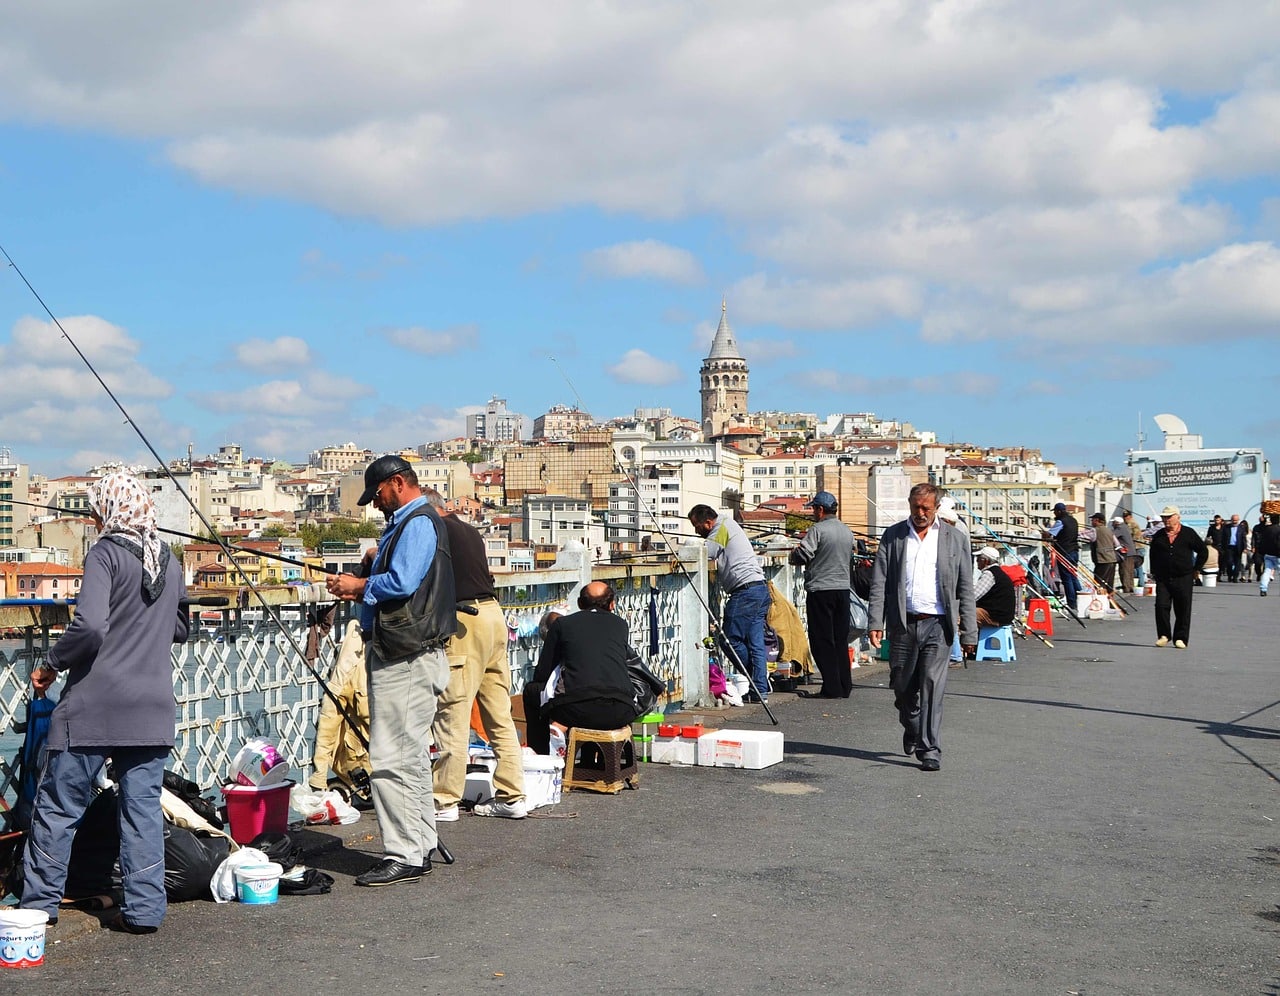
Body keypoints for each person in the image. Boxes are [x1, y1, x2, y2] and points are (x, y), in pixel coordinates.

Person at [21, 472, 188, 934]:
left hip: (95, 707)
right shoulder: (170, 561)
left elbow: (91, 626)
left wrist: (52, 661)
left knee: (58, 806)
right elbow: (180, 628)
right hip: (152, 708)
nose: (95, 519)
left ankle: (37, 908)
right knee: (141, 812)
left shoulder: (105, 555)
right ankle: (145, 912)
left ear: (111, 511)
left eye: (97, 511)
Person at [326, 456, 457, 888]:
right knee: (411, 757)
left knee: (388, 759)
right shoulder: (413, 521)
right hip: (411, 653)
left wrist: (358, 587)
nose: (375, 503)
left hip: (407, 656)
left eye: (378, 493)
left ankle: (403, 853)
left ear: (397, 483)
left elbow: (402, 582)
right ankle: (420, 841)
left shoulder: (416, 522)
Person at [423, 491, 526, 822]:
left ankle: (444, 800)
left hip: (465, 621)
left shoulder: (435, 528)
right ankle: (513, 795)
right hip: (494, 616)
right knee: (499, 713)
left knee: (452, 712)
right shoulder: (468, 529)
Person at [868, 482, 976, 772]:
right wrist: (875, 621)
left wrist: (969, 633)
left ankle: (930, 748)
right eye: (915, 507)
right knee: (902, 688)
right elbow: (879, 581)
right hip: (903, 624)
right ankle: (913, 725)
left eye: (926, 508)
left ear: (936, 508)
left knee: (931, 684)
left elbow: (966, 587)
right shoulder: (894, 536)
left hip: (938, 625)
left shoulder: (955, 539)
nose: (920, 513)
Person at [522, 582, 640, 755]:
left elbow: (544, 672)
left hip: (576, 710)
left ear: (580, 604)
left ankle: (542, 758)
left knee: (532, 692)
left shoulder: (562, 624)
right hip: (620, 710)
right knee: (594, 692)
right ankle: (595, 761)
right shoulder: (621, 625)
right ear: (612, 604)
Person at [687, 504, 770, 703]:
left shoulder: (720, 529)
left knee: (729, 641)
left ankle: (755, 678)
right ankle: (760, 689)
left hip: (745, 592)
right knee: (755, 644)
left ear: (708, 522)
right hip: (759, 588)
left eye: (697, 526)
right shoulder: (727, 524)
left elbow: (706, 553)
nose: (696, 531)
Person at [789, 491, 855, 699]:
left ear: (820, 509)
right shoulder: (846, 531)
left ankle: (831, 687)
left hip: (821, 590)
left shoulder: (817, 530)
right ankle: (845, 685)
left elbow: (803, 555)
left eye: (813, 509)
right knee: (840, 640)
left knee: (822, 640)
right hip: (843, 590)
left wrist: (793, 553)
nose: (813, 513)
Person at [1148, 505, 1208, 649]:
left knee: (1183, 608)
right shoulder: (1159, 535)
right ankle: (1164, 635)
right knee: (1161, 606)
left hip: (1184, 576)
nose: (1166, 520)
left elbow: (1203, 551)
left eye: (1169, 517)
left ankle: (1180, 638)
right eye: (1164, 517)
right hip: (1163, 577)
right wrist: (1154, 572)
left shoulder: (1188, 533)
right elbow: (1153, 554)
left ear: (1177, 517)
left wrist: (1197, 569)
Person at [1041, 502, 1080, 614]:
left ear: (1058, 511)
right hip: (1074, 551)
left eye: (1055, 511)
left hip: (1064, 552)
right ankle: (1080, 598)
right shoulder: (1073, 520)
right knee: (1073, 576)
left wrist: (1044, 532)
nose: (1054, 513)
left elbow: (1050, 534)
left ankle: (1072, 603)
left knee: (1067, 578)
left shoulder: (1060, 521)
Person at [973, 546, 1016, 628]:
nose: (976, 561)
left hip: (995, 616)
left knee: (961, 614)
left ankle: (958, 640)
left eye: (978, 558)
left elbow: (973, 596)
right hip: (1004, 616)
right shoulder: (999, 572)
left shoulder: (989, 574)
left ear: (985, 561)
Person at [1087, 512, 1118, 594]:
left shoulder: (1095, 530)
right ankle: (1110, 602)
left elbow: (1083, 535)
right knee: (1109, 583)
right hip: (1112, 559)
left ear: (1097, 520)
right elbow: (1117, 544)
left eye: (1092, 520)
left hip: (1102, 560)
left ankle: (1100, 601)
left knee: (1098, 582)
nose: (1091, 522)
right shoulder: (1109, 530)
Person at [1111, 515, 1138, 595]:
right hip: (1131, 552)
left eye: (1113, 522)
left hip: (1126, 553)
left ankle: (1126, 588)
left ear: (1116, 523)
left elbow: (1111, 535)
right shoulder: (1125, 527)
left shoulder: (1120, 528)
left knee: (1124, 570)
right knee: (1130, 571)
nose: (1112, 524)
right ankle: (1130, 587)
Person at [1256, 513, 1280, 596]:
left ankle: (1263, 589)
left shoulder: (1267, 529)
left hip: (1268, 554)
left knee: (1267, 571)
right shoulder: (1279, 529)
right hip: (1277, 554)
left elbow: (1262, 541)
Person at [1223, 514, 1248, 582]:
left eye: (1236, 520)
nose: (1234, 522)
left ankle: (1235, 577)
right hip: (1229, 547)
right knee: (1229, 562)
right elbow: (1223, 538)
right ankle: (1230, 575)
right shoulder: (1226, 527)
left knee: (1237, 563)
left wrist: (1245, 547)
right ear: (1231, 520)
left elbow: (1244, 539)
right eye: (1233, 520)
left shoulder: (1241, 528)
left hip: (1238, 547)